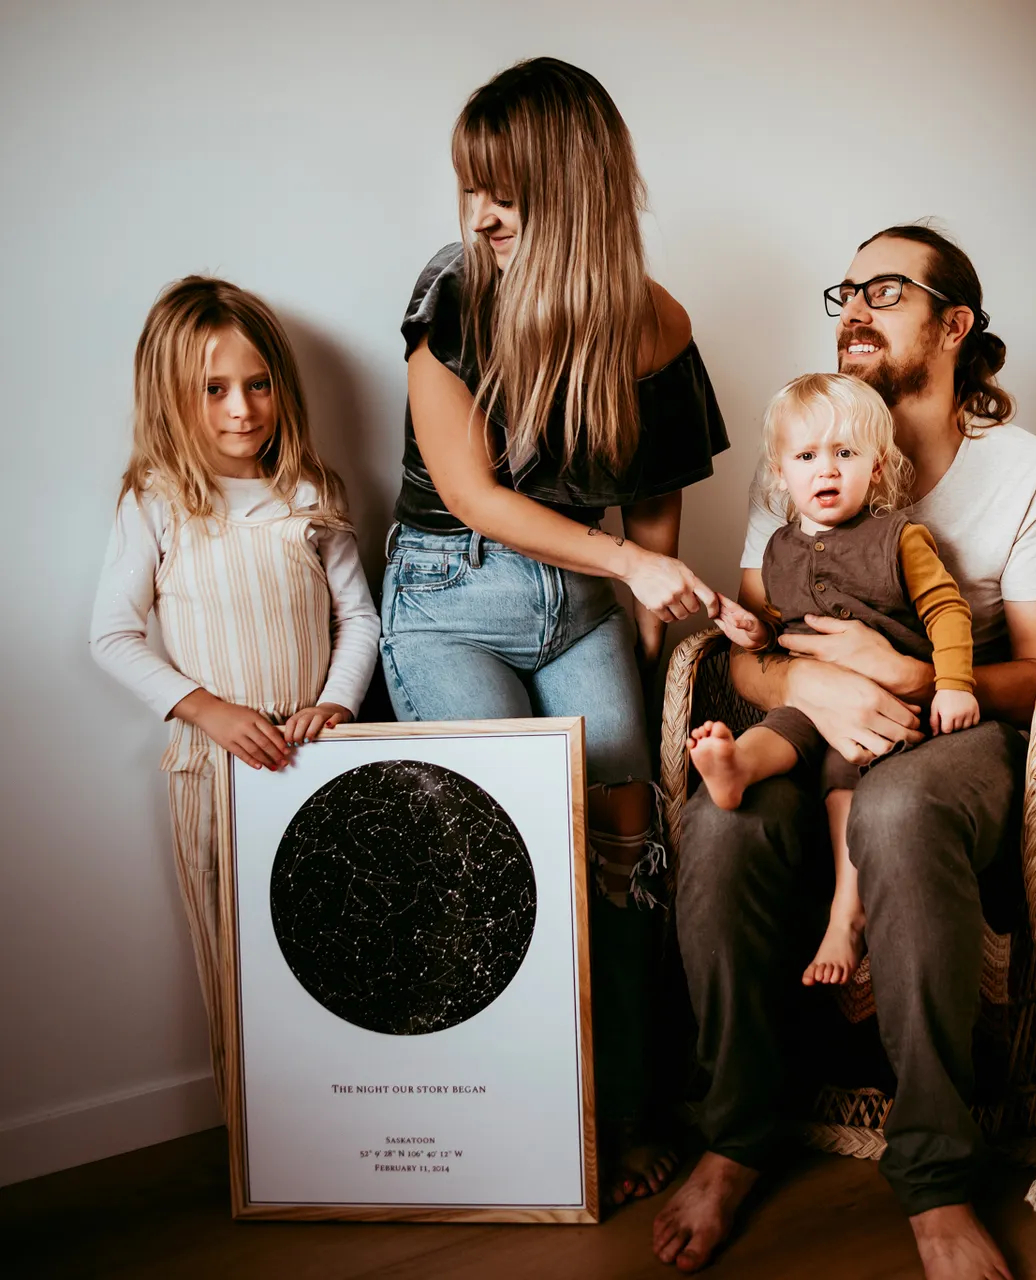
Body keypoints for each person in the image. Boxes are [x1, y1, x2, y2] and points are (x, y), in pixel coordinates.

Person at [654, 225, 1036, 1280]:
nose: (852, 306)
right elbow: (749, 646)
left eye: (884, 290)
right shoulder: (803, 454)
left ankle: (935, 1174)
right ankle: (734, 1134)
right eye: (844, 289)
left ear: (953, 324)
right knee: (722, 820)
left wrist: (908, 677)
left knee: (897, 812)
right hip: (813, 722)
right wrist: (807, 684)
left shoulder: (1030, 473)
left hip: (955, 734)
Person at [379, 57, 729, 1203]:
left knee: (626, 856)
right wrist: (628, 561)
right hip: (450, 597)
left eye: (506, 191)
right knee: (505, 852)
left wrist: (649, 618)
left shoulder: (655, 321)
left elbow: (657, 488)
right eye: (471, 188)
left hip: (580, 610)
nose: (480, 214)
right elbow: (473, 494)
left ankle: (620, 1113)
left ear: (571, 190)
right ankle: (517, 1128)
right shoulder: (451, 295)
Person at [89, 276, 380, 1110]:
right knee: (235, 954)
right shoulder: (156, 502)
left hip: (318, 763)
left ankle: (347, 1122)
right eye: (213, 389)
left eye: (257, 385)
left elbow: (359, 619)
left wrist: (337, 703)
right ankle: (252, 1139)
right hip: (212, 775)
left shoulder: (312, 494)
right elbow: (111, 635)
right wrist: (208, 711)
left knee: (333, 944)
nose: (241, 410)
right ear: (172, 396)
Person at [689, 371, 979, 989]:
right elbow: (778, 628)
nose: (826, 470)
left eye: (845, 453)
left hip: (884, 705)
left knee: (844, 781)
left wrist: (955, 683)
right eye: (807, 457)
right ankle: (735, 768)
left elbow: (948, 610)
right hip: (813, 697)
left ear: (877, 467)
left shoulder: (900, 539)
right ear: (779, 472)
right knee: (780, 728)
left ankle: (846, 915)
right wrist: (754, 631)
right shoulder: (777, 551)